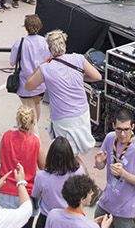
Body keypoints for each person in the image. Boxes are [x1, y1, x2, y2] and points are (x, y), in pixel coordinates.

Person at [22, 30, 100, 159]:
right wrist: (80, 77)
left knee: (68, 156)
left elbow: (29, 86)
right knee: (74, 155)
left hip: (63, 117)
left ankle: (78, 177)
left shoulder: (46, 68)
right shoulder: (78, 58)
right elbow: (97, 76)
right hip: (82, 113)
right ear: (64, 44)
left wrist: (42, 65)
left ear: (49, 48)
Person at [0, 105, 42, 228]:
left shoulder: (7, 136)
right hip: (27, 190)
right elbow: (42, 166)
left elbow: (0, 159)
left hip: (7, 189)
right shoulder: (35, 141)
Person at [10, 14, 51, 125]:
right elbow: (49, 59)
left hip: (24, 83)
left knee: (27, 109)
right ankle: (34, 126)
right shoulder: (44, 41)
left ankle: (31, 131)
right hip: (40, 82)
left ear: (26, 27)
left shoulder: (20, 42)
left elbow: (12, 62)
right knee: (37, 105)